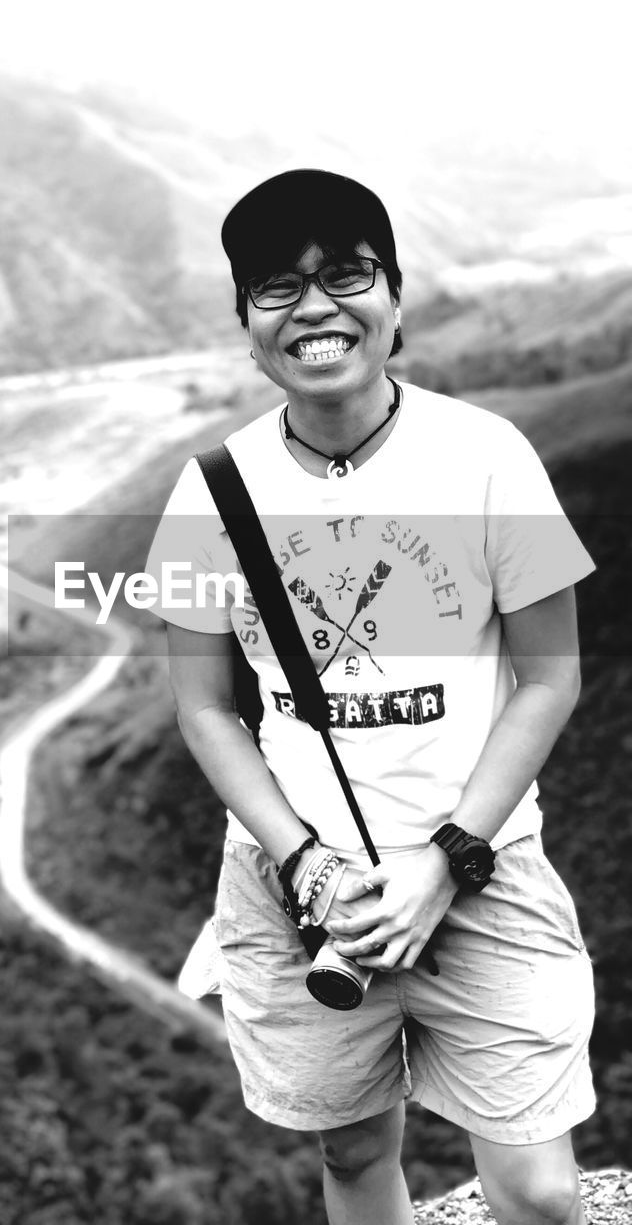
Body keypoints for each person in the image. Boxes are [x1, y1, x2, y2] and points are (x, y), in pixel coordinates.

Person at [144, 170, 596, 1225]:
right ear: (247, 319)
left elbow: (552, 675)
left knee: (536, 1190)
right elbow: (207, 706)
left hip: (481, 866)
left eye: (345, 273)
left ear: (394, 295)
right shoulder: (209, 492)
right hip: (301, 888)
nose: (314, 307)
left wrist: (447, 858)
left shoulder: (488, 458)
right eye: (277, 286)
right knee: (353, 1150)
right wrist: (304, 862)